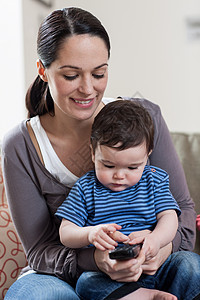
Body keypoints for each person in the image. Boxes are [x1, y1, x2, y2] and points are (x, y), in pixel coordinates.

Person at [1, 6, 200, 300]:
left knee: (190, 269)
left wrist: (157, 248)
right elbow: (42, 251)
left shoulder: (144, 119)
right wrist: (97, 261)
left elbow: (181, 213)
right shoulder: (20, 146)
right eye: (71, 75)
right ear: (43, 70)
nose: (87, 89)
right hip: (60, 277)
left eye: (99, 73)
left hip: (148, 264)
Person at [56, 100, 181, 262]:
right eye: (108, 165)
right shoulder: (85, 188)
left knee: (189, 263)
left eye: (132, 167)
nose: (119, 176)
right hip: (108, 267)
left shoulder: (154, 180)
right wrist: (90, 234)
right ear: (93, 153)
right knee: (87, 281)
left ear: (147, 154)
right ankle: (140, 290)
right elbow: (65, 232)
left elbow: (169, 217)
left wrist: (157, 239)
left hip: (153, 260)